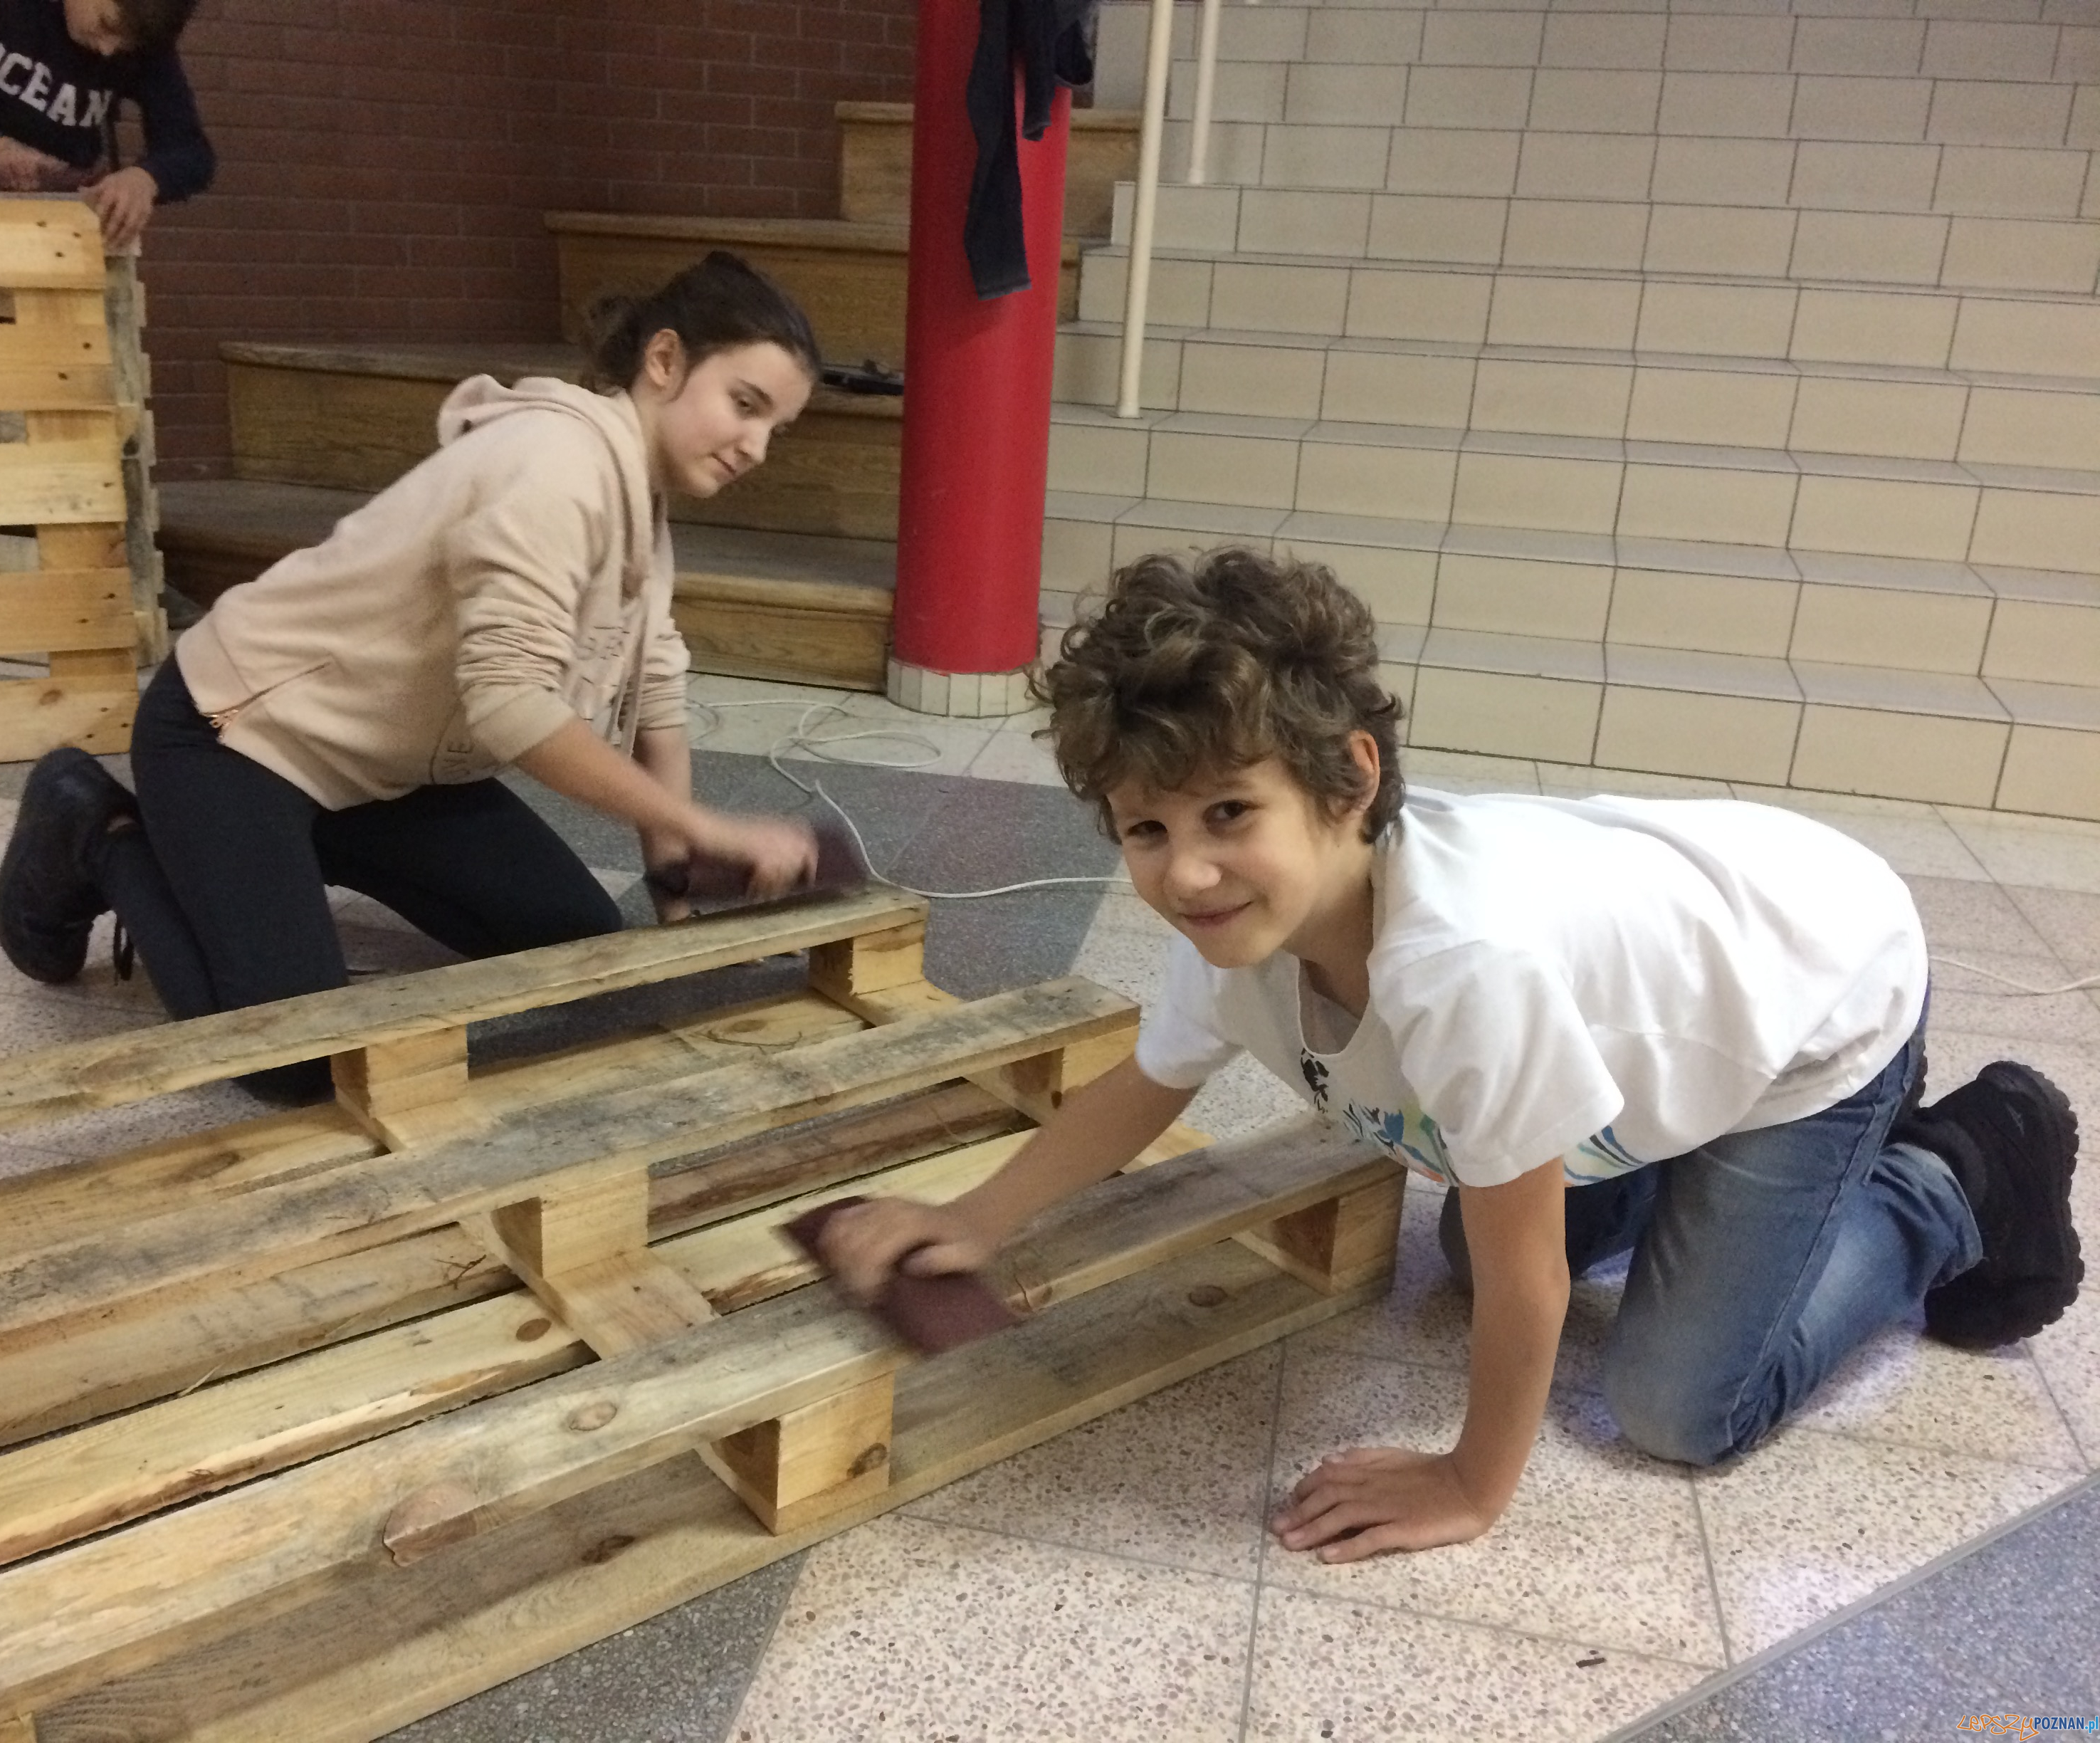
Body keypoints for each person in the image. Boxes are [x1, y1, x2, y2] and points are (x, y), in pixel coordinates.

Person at [822, 546, 2082, 1564]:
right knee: (1473, 1261)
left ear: (1346, 781)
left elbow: (1539, 1282)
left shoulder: (1461, 966)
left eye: (1227, 812)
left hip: (1819, 994)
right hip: (1681, 981)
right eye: (1143, 827)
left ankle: (1952, 1172)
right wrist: (975, 1218)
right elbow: (1141, 1087)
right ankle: (1687, 1160)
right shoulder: (1233, 932)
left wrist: (1469, 1482)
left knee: (1672, 1407)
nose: (1185, 868)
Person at [0, 250, 825, 1101]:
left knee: (578, 942)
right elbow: (509, 707)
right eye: (745, 405)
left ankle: (275, 858)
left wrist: (678, 901)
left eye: (776, 429)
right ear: (665, 361)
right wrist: (710, 827)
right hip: (241, 737)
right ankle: (97, 833)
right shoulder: (554, 465)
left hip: (387, 769)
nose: (755, 446)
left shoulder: (641, 502)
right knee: (299, 1063)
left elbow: (656, 693)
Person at [0, 0, 215, 248]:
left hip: (56, 227)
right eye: (107, 25)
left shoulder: (144, 40)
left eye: (128, 43)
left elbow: (191, 151)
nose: (109, 50)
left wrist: (148, 178)